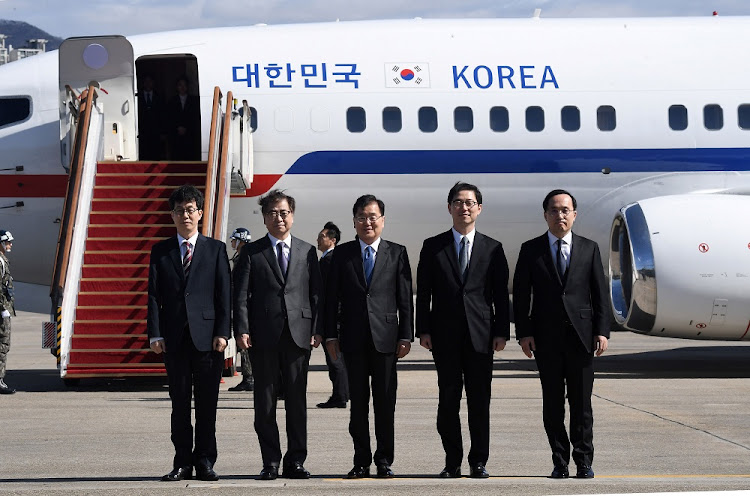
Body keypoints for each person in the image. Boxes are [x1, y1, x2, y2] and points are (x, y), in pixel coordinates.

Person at [512, 189, 610, 480]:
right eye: (554, 210)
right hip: (546, 339)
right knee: (553, 405)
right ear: (545, 215)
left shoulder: (589, 248)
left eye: (565, 210)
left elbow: (599, 293)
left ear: (574, 215)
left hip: (582, 338)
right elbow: (521, 296)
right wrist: (524, 333)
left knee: (582, 405)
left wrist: (602, 331)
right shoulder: (531, 250)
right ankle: (559, 462)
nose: (560, 215)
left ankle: (584, 461)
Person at [416, 182, 510, 479]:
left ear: (479, 208)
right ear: (449, 208)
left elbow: (500, 295)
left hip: (481, 337)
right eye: (458, 202)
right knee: (448, 401)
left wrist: (501, 331)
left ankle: (478, 460)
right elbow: (424, 292)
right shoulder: (433, 247)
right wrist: (423, 329)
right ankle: (452, 460)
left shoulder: (493, 248)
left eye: (469, 203)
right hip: (444, 336)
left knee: (479, 401)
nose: (464, 208)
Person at [233, 189, 323, 480]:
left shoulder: (307, 251)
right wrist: (242, 329)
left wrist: (316, 329)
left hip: (299, 335)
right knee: (265, 403)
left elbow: (316, 294)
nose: (279, 218)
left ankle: (295, 461)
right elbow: (241, 296)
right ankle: (270, 461)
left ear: (292, 216)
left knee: (297, 403)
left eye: (284, 212)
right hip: (263, 336)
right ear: (264, 218)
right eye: (272, 213)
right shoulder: (251, 252)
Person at [324, 194, 413, 479]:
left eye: (373, 217)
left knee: (385, 404)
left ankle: (384, 460)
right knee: (358, 406)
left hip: (386, 340)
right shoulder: (342, 254)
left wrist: (406, 335)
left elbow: (404, 300)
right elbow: (330, 299)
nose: (367, 222)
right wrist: (330, 336)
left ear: (383, 220)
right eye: (361, 217)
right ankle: (361, 461)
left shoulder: (397, 253)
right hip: (352, 340)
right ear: (354, 222)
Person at [147, 184, 231, 482]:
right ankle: (182, 462)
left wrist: (223, 332)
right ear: (172, 215)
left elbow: (224, 294)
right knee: (179, 404)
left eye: (190, 210)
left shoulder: (216, 249)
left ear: (200, 213)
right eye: (179, 210)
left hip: (208, 339)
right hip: (175, 339)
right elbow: (153, 296)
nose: (185, 215)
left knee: (207, 405)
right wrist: (155, 334)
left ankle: (205, 461)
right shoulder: (161, 251)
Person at [315, 221, 349, 409]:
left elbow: (327, 293)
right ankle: (343, 393)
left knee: (334, 358)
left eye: (322, 237)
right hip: (336, 317)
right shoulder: (334, 259)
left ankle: (340, 396)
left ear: (332, 240)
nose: (318, 240)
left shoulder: (329, 261)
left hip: (332, 318)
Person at [227, 227, 254, 392]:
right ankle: (247, 377)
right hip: (239, 305)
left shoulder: (245, 257)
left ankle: (249, 378)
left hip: (243, 307)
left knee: (244, 344)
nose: (232, 242)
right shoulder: (241, 256)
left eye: (234, 240)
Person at [166, 76, 201, 161]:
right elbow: (169, 117)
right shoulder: (172, 101)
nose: (182, 87)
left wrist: (186, 128)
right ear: (177, 87)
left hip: (190, 135)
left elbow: (195, 117)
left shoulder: (194, 101)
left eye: (184, 85)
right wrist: (178, 127)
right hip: (176, 135)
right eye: (180, 85)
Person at [0, 230, 16, 395]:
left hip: (4, 308)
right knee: (2, 345)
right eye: (7, 242)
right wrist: (2, 309)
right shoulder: (0, 261)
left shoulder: (2, 259)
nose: (10, 244)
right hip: (1, 310)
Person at [137, 74, 164, 161]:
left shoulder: (159, 97)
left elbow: (162, 115)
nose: (148, 83)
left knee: (156, 154)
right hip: (142, 132)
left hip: (156, 132)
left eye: (150, 81)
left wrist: (163, 132)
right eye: (146, 81)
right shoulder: (137, 97)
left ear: (153, 83)